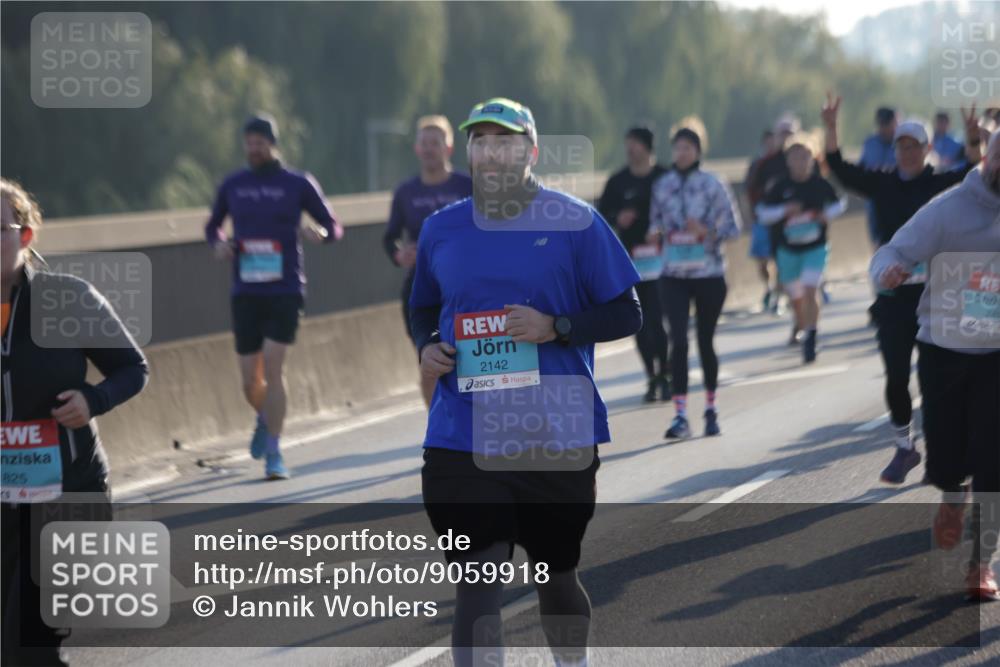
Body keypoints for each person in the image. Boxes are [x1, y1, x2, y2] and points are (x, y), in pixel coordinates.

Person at [411, 97, 642, 667]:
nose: (490, 152)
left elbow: (626, 312)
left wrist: (556, 326)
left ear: (531, 151)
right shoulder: (441, 228)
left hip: (554, 430)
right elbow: (422, 306)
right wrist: (428, 346)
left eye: (505, 141)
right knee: (478, 577)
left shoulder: (576, 222)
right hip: (461, 433)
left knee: (554, 575)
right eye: (480, 141)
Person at [1, 179, 149, 665]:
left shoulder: (67, 299)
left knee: (33, 641)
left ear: (24, 237)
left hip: (67, 490)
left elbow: (133, 368)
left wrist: (93, 399)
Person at [822, 93, 983, 485]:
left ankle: (953, 453)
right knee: (896, 376)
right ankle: (904, 446)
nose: (908, 153)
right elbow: (840, 170)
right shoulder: (883, 184)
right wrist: (830, 128)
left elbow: (978, 172)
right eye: (902, 146)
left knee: (944, 378)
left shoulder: (945, 184)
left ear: (928, 148)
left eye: (915, 146)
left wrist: (973, 138)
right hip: (895, 297)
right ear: (895, 150)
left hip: (941, 296)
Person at [869, 130, 999, 600]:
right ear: (988, 159)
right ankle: (950, 492)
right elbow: (891, 252)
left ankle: (981, 563)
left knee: (995, 460)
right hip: (945, 349)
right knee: (946, 459)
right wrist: (888, 273)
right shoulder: (948, 210)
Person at [205, 113, 344, 480]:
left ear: (273, 143)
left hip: (285, 288)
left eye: (260, 142)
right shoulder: (233, 184)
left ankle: (275, 453)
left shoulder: (297, 183)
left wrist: (322, 235)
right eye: (248, 142)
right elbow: (212, 226)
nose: (254, 148)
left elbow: (334, 225)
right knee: (251, 380)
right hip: (246, 289)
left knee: (274, 366)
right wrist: (219, 244)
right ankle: (264, 417)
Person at [648, 118, 742, 439]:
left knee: (704, 340)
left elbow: (734, 227)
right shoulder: (662, 186)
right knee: (678, 340)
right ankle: (680, 415)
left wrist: (707, 232)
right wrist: (656, 234)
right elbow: (654, 223)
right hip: (673, 273)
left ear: (698, 150)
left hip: (709, 274)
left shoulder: (713, 184)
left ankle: (711, 409)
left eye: (687, 147)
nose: (681, 153)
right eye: (677, 148)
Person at [383, 115, 473, 407]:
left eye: (436, 143)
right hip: (421, 289)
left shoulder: (467, 185)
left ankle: (473, 420)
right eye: (425, 143)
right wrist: (399, 254)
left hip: (465, 286)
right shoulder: (406, 192)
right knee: (429, 360)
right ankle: (439, 427)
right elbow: (390, 238)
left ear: (448, 147)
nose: (430, 149)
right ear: (416, 149)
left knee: (468, 360)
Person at [755, 131, 846, 363]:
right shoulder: (779, 186)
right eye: (795, 157)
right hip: (787, 250)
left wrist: (826, 214)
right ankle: (803, 325)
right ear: (787, 160)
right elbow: (762, 213)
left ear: (813, 157)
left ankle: (811, 337)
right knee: (796, 298)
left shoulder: (820, 184)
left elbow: (840, 203)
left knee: (809, 290)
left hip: (815, 247)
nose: (800, 161)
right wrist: (784, 211)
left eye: (804, 156)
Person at [598, 126, 670, 402]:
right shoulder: (617, 182)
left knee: (659, 320)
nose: (631, 149)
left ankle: (665, 373)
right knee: (639, 320)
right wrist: (618, 218)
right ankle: (651, 376)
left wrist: (662, 229)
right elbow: (600, 218)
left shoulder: (665, 177)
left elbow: (679, 211)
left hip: (663, 259)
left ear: (648, 147)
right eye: (628, 143)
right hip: (630, 260)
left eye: (636, 144)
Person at [745, 129, 779, 312]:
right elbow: (749, 189)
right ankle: (769, 287)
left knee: (780, 258)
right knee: (761, 260)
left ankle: (778, 296)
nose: (770, 145)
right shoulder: (757, 164)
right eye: (768, 142)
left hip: (781, 218)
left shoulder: (783, 162)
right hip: (761, 216)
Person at [859, 107, 898, 247]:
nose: (885, 128)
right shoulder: (870, 143)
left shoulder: (904, 143)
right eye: (881, 124)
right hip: (875, 200)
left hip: (900, 197)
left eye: (888, 124)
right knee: (878, 241)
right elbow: (861, 167)